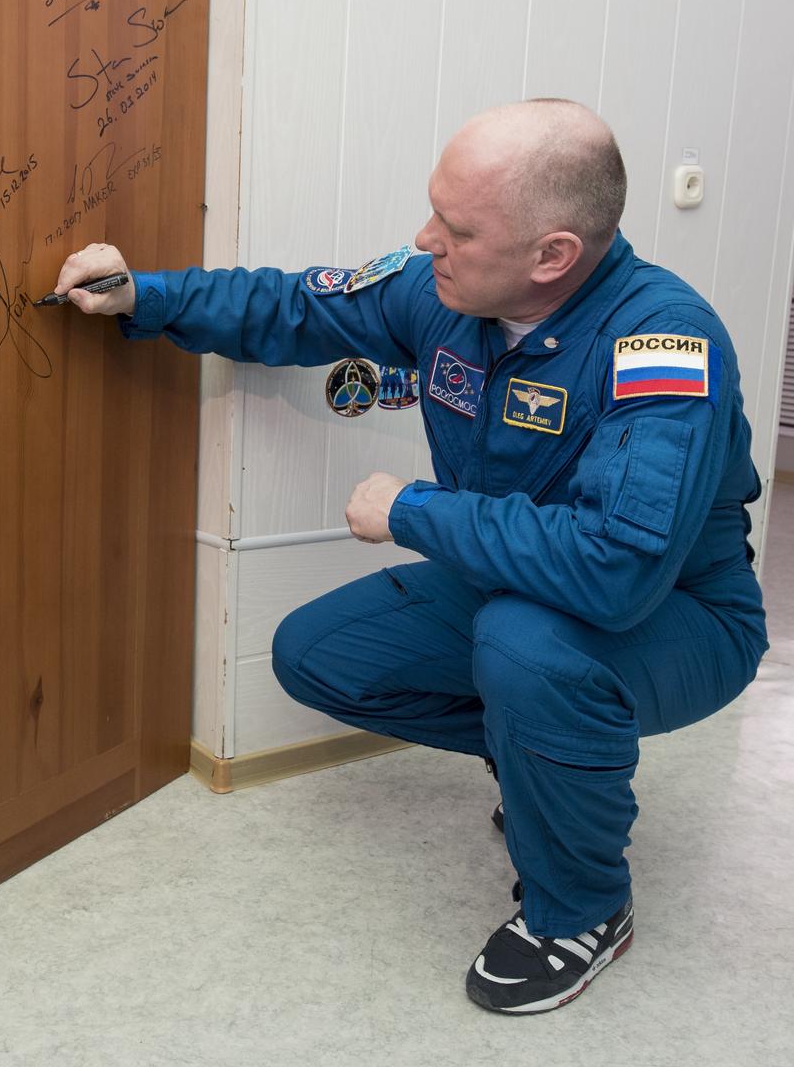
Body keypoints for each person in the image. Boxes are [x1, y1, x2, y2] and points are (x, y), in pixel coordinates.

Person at [50, 98, 767, 1014]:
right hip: (513, 586)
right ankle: (549, 755)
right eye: (433, 210)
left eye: (457, 228)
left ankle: (582, 907)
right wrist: (145, 296)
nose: (425, 238)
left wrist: (414, 510)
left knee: (526, 646)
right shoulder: (445, 290)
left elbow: (615, 569)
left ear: (553, 256)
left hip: (680, 616)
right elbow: (297, 305)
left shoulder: (662, 345)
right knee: (317, 656)